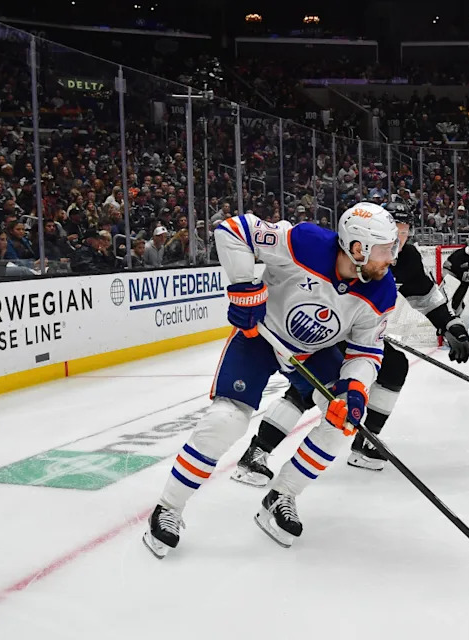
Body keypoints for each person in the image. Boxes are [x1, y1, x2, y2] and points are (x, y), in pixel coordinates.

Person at [143, 202, 398, 558]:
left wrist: (354, 388)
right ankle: (168, 507)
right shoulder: (306, 243)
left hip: (314, 352)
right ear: (358, 248)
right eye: (386, 250)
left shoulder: (382, 291)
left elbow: (366, 352)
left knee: (342, 420)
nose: (392, 258)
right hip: (261, 339)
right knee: (226, 421)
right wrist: (244, 287)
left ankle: (281, 496)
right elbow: (233, 230)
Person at [230, 202, 469, 486]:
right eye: (395, 231)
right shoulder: (352, 251)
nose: (399, 240)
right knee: (311, 390)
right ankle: (257, 451)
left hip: (360, 335)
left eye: (405, 232)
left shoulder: (404, 257)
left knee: (394, 366)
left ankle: (365, 441)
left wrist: (450, 324)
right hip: (318, 330)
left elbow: (424, 293)